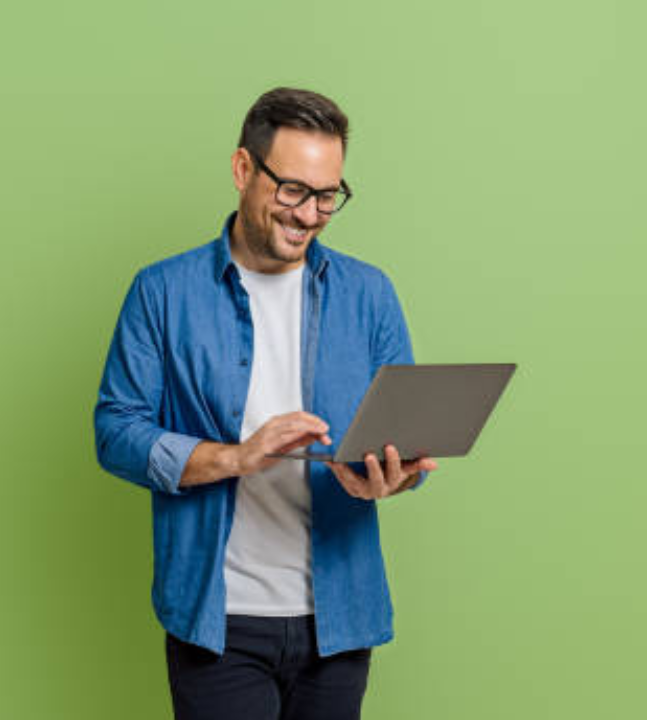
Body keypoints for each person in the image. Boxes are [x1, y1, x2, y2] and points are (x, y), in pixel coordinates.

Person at [94, 87, 438, 720]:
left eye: (327, 196)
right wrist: (235, 457)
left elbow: (404, 436)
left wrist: (392, 477)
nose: (309, 215)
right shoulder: (161, 292)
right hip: (217, 621)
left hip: (340, 620)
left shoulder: (370, 294)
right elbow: (116, 432)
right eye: (294, 190)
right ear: (243, 169)